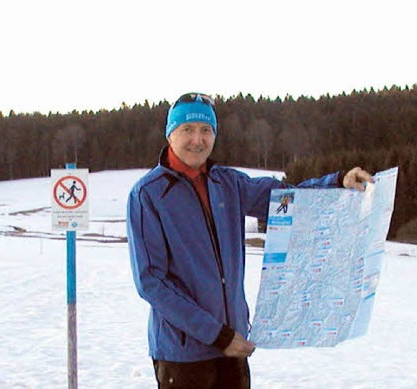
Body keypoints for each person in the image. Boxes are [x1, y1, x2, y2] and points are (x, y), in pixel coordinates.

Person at [126, 92, 373, 388]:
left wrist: (336, 183)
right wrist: (216, 335)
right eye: (187, 130)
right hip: (184, 353)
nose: (198, 139)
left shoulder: (227, 183)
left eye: (206, 130)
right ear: (170, 134)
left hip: (234, 346)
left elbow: (287, 199)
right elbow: (151, 282)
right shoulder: (148, 194)